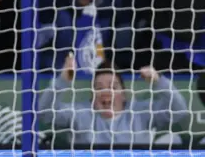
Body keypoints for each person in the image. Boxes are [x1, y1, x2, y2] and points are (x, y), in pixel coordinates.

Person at [39, 57, 188, 146]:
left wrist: (158, 81)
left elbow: (179, 110)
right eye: (99, 87)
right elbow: (44, 113)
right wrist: (63, 80)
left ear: (124, 95)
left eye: (113, 87)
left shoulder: (140, 111)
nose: (106, 92)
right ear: (92, 95)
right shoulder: (81, 113)